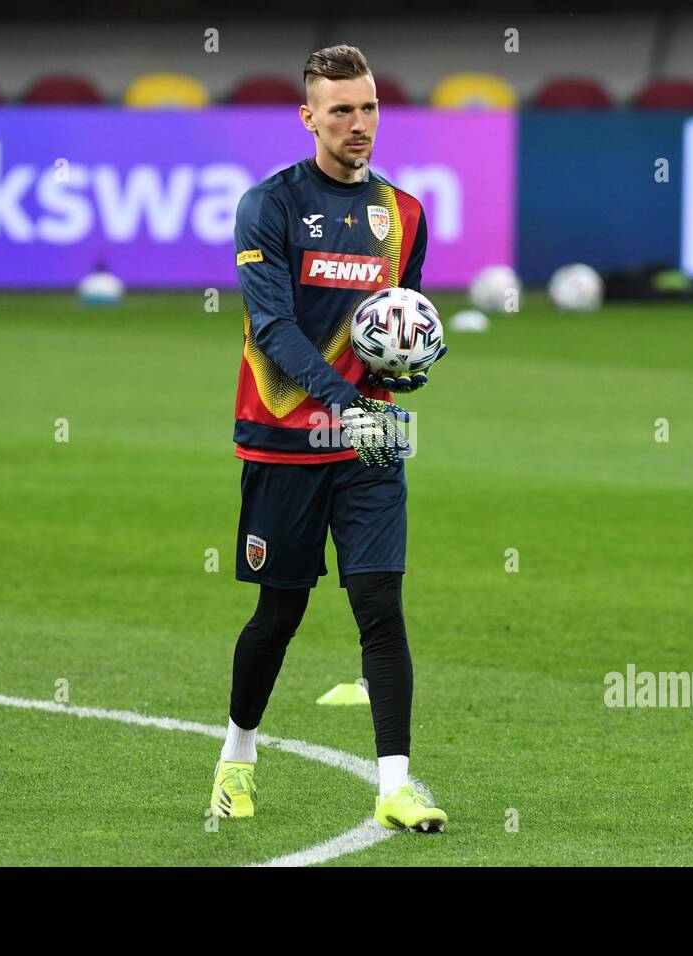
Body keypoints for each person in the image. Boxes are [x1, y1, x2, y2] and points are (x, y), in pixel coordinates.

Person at [212, 44, 448, 832]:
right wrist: (346, 400)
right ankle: (237, 757)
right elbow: (274, 328)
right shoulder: (269, 206)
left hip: (371, 439)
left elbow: (393, 324)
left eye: (369, 107)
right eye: (341, 110)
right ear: (308, 116)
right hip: (282, 437)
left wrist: (406, 369)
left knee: (380, 604)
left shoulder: (404, 214)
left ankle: (397, 784)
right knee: (278, 616)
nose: (358, 124)